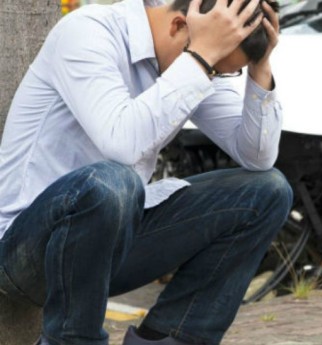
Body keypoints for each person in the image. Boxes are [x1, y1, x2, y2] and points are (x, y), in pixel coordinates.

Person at [0, 0, 291, 343]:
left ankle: (167, 339)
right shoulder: (89, 31)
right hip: (28, 251)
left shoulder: (195, 56)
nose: (211, 76)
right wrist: (199, 61)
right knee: (111, 183)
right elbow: (121, 143)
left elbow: (257, 156)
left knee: (268, 191)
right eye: (214, 67)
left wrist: (261, 66)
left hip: (109, 248)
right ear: (178, 26)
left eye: (220, 71)